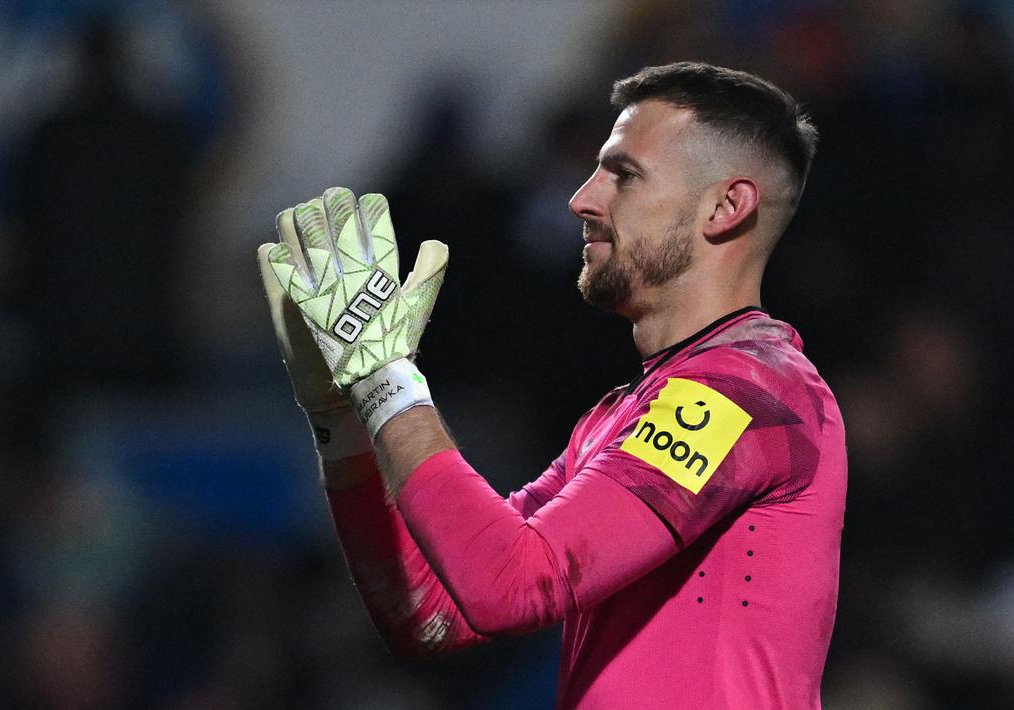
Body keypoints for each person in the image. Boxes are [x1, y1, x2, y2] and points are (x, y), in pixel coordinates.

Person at [258, 61, 845, 709]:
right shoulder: (619, 417)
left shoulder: (746, 391)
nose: (581, 198)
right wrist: (345, 424)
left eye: (623, 175)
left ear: (725, 206)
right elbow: (433, 614)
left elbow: (512, 584)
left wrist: (386, 375)